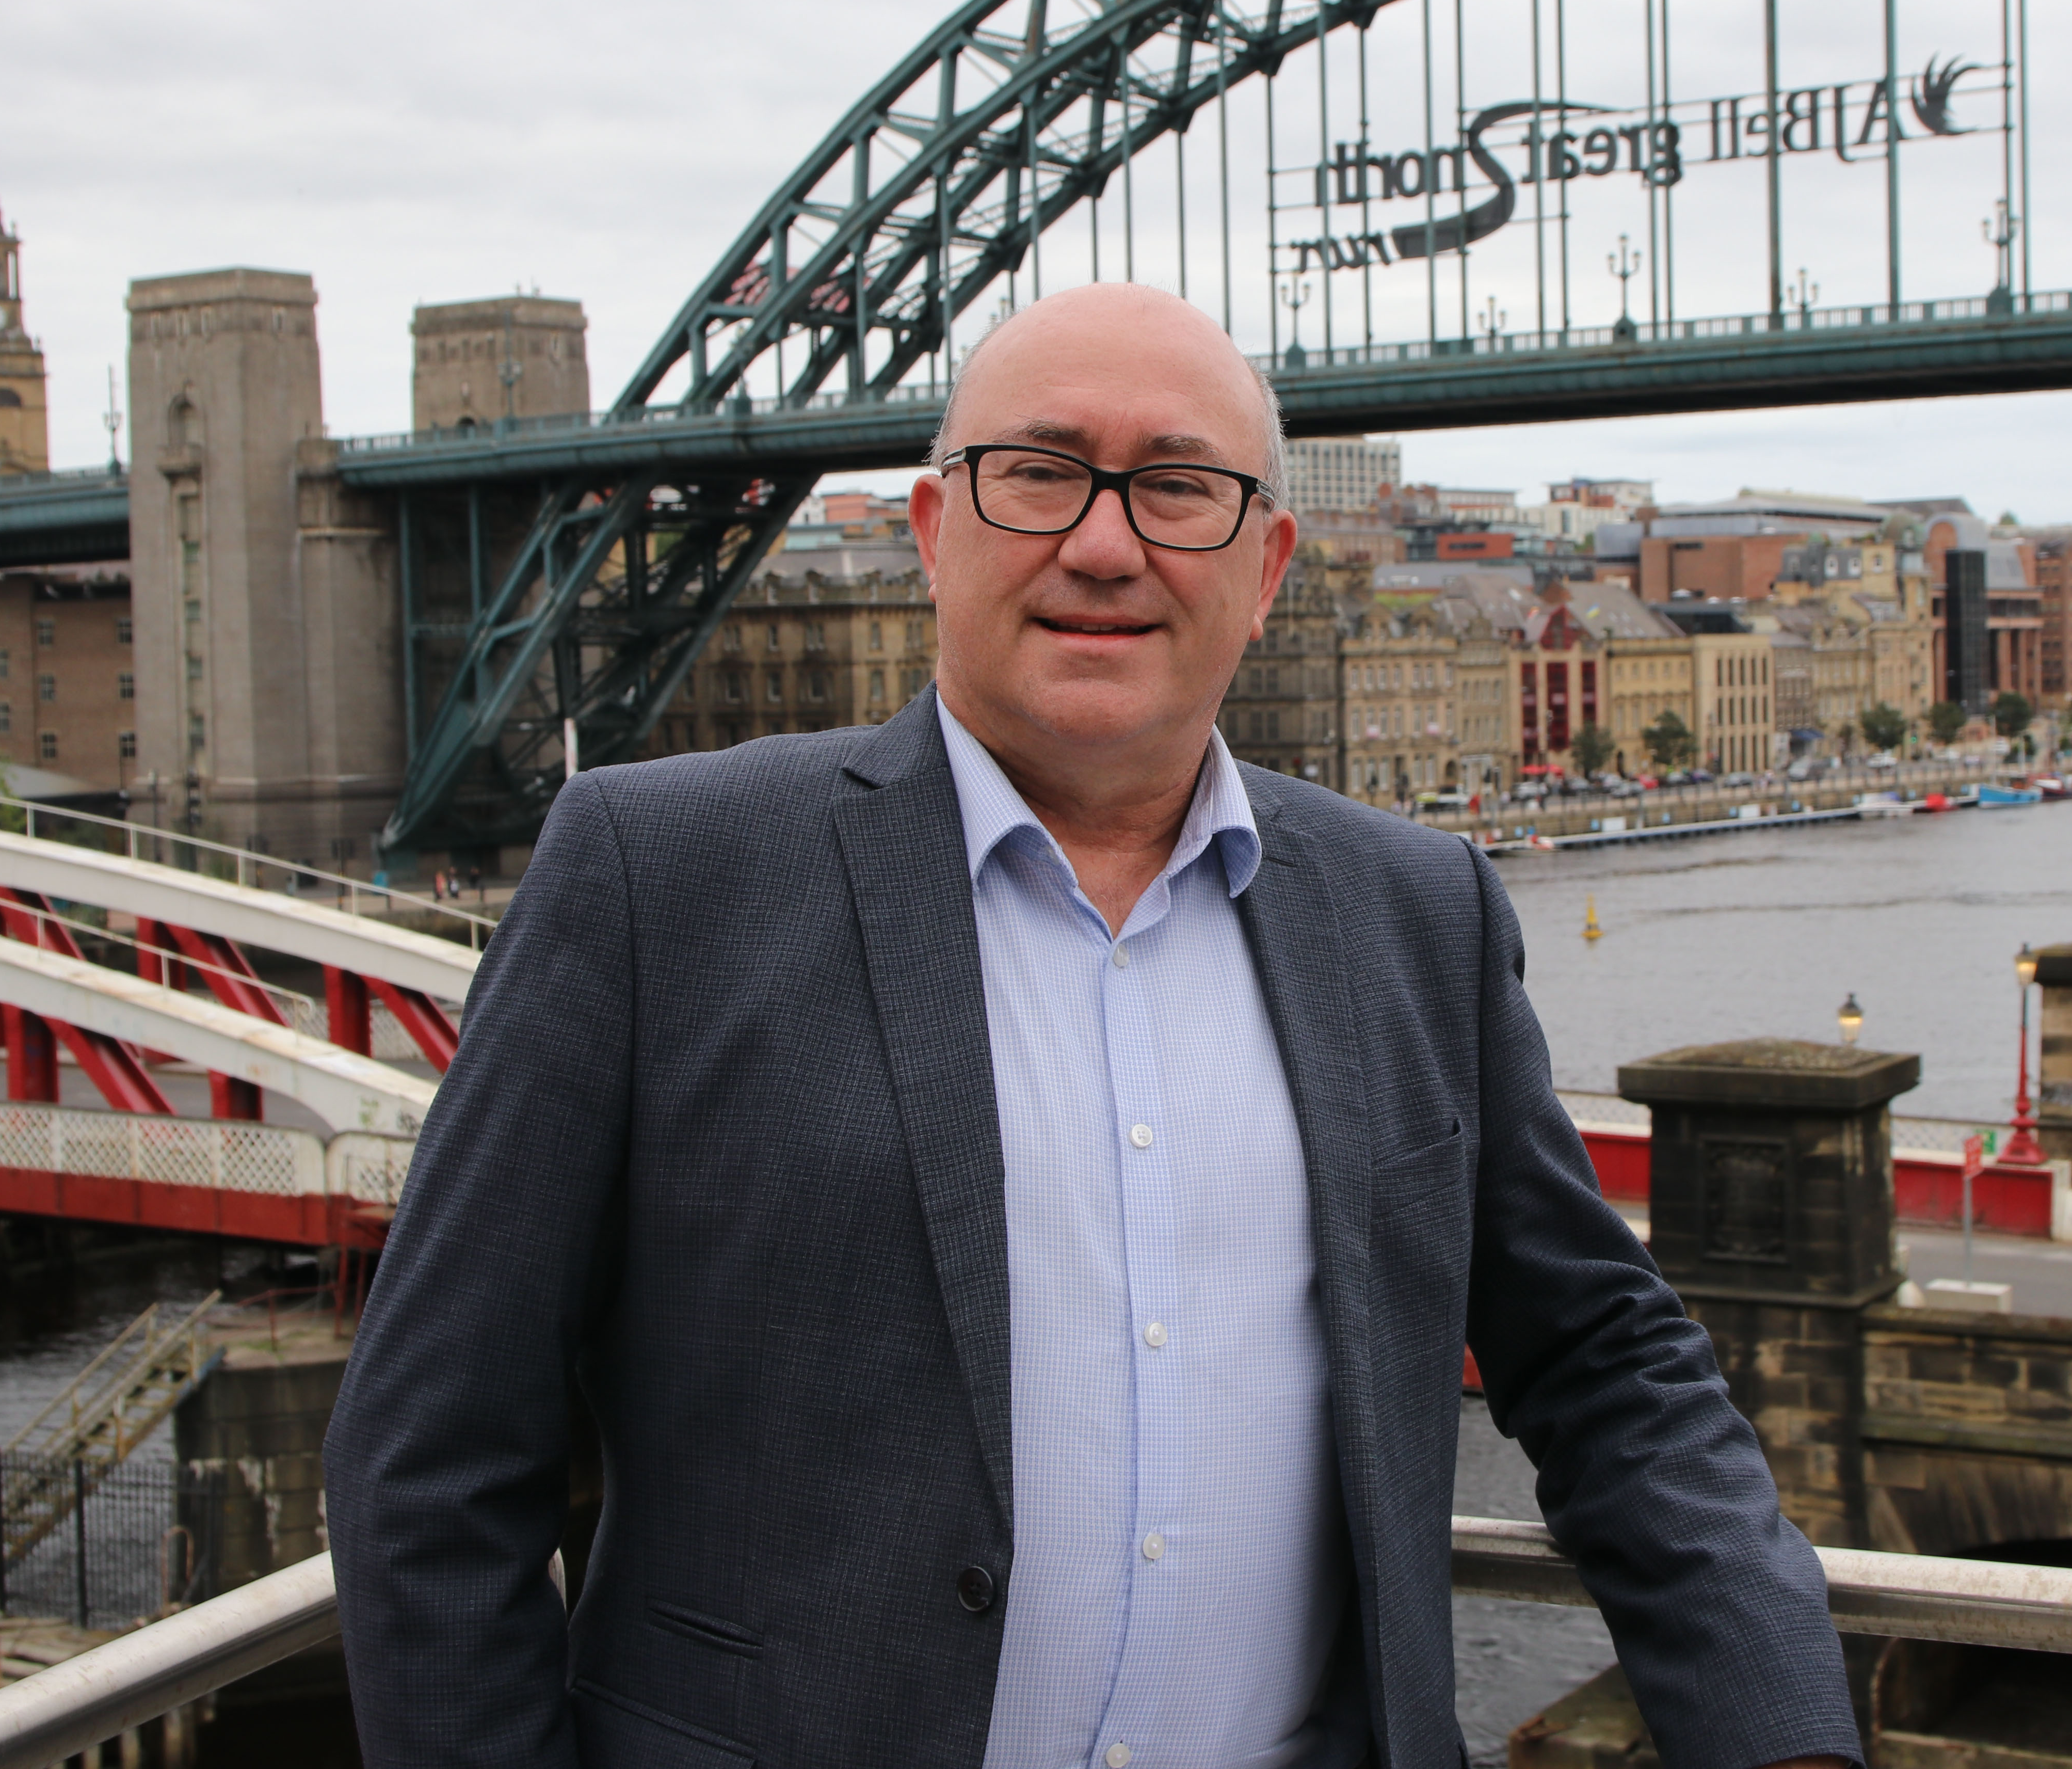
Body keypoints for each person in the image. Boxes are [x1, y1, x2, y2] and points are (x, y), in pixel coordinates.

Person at [324, 284, 1858, 1769]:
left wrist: (1778, 1727)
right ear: (935, 534)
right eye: (1038, 475)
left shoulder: (1417, 911)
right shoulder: (659, 879)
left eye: (1180, 489)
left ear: (1266, 570)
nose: (1106, 545)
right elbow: (431, 1460)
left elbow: (1601, 1355)